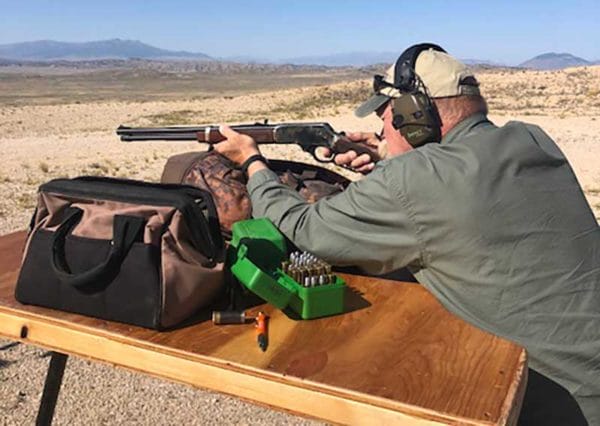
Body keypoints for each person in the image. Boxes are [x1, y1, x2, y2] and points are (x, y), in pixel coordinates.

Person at [214, 43, 600, 425]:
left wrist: (251, 162)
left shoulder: (415, 179)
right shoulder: (531, 138)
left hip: (551, 407)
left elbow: (303, 230)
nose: (381, 127)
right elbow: (459, 189)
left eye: (385, 117)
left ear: (414, 116)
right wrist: (390, 160)